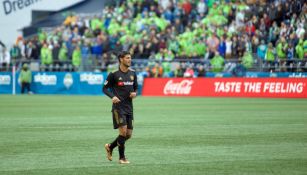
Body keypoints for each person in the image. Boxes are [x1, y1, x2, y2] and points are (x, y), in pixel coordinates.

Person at [102, 51, 138, 164]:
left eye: (130, 58)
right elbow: (104, 88)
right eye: (127, 58)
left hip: (129, 108)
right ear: (121, 59)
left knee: (128, 135)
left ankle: (110, 147)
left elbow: (136, 88)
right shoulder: (113, 74)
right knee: (123, 132)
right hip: (118, 108)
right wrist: (112, 97)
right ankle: (122, 158)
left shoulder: (133, 73)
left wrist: (135, 93)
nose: (129, 60)